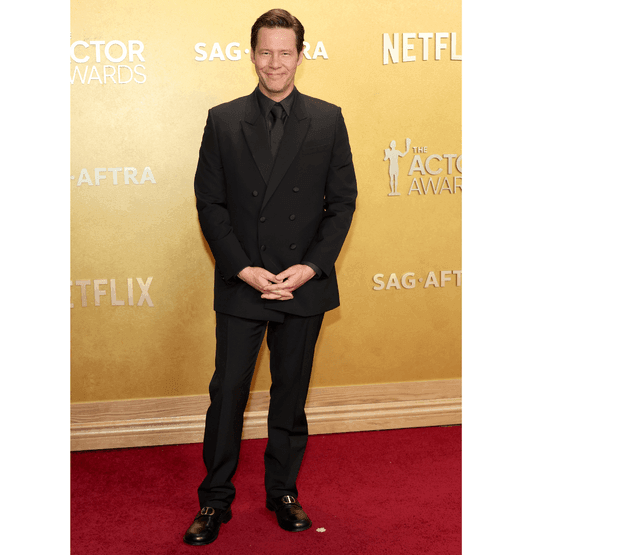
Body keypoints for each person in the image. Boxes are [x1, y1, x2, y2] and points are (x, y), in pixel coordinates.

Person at [184, 8, 358, 546]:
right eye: (265, 51)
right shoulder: (223, 119)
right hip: (244, 282)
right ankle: (214, 500)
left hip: (301, 284)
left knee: (290, 394)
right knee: (228, 395)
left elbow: (343, 203)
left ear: (300, 56)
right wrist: (245, 269)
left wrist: (308, 268)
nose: (275, 63)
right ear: (252, 53)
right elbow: (209, 203)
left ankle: (283, 491)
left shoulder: (328, 119)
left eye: (286, 52)